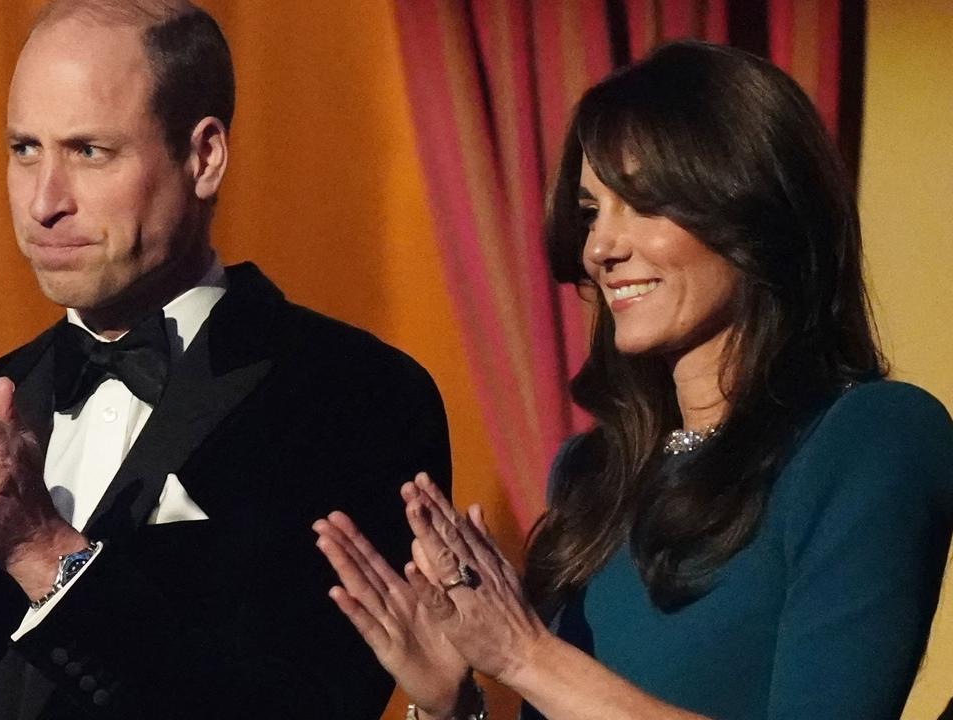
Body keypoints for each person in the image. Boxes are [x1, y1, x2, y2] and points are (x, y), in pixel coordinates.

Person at [0, 2, 451, 719]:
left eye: (89, 151)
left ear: (203, 157)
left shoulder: (355, 399)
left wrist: (43, 554)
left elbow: (301, 700)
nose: (43, 202)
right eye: (25, 149)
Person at [315, 40, 953, 719]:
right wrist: (451, 703)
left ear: (756, 210)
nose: (599, 249)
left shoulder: (870, 439)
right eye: (591, 212)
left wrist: (529, 657)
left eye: (643, 203)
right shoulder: (592, 474)